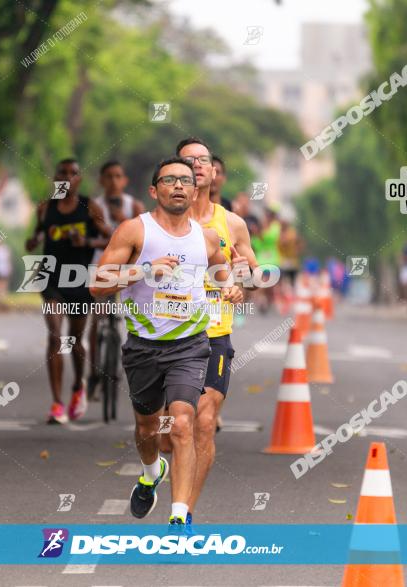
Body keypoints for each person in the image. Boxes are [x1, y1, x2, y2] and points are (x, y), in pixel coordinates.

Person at [90, 157, 231, 530]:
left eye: (186, 180)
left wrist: (231, 285)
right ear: (155, 190)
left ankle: (180, 517)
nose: (180, 186)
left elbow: (223, 270)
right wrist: (145, 271)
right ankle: (152, 471)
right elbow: (97, 284)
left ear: (195, 189)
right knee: (147, 429)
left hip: (190, 344)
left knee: (183, 423)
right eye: (170, 180)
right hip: (143, 346)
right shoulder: (135, 231)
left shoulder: (207, 237)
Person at [165, 137, 259, 534]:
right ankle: (153, 470)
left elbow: (253, 276)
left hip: (215, 334)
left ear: (214, 173)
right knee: (164, 430)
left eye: (204, 160)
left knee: (203, 421)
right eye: (189, 161)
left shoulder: (232, 223)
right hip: (166, 336)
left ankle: (182, 512)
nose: (198, 166)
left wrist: (241, 282)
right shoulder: (159, 222)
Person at [25, 158, 111, 424]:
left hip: (79, 281)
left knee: (74, 341)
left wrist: (85, 241)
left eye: (73, 173)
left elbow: (109, 238)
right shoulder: (45, 209)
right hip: (51, 279)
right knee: (54, 337)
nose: (67, 177)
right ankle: (56, 403)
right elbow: (37, 236)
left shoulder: (89, 207)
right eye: (62, 172)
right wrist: (34, 240)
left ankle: (78, 386)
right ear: (55, 177)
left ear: (79, 179)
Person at [87, 160, 144, 400]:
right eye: (108, 176)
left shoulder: (135, 206)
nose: (113, 181)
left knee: (131, 314)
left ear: (125, 180)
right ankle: (93, 372)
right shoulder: (93, 206)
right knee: (97, 314)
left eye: (118, 176)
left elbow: (144, 238)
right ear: (101, 180)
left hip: (129, 268)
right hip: (101, 265)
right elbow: (96, 237)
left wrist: (122, 220)